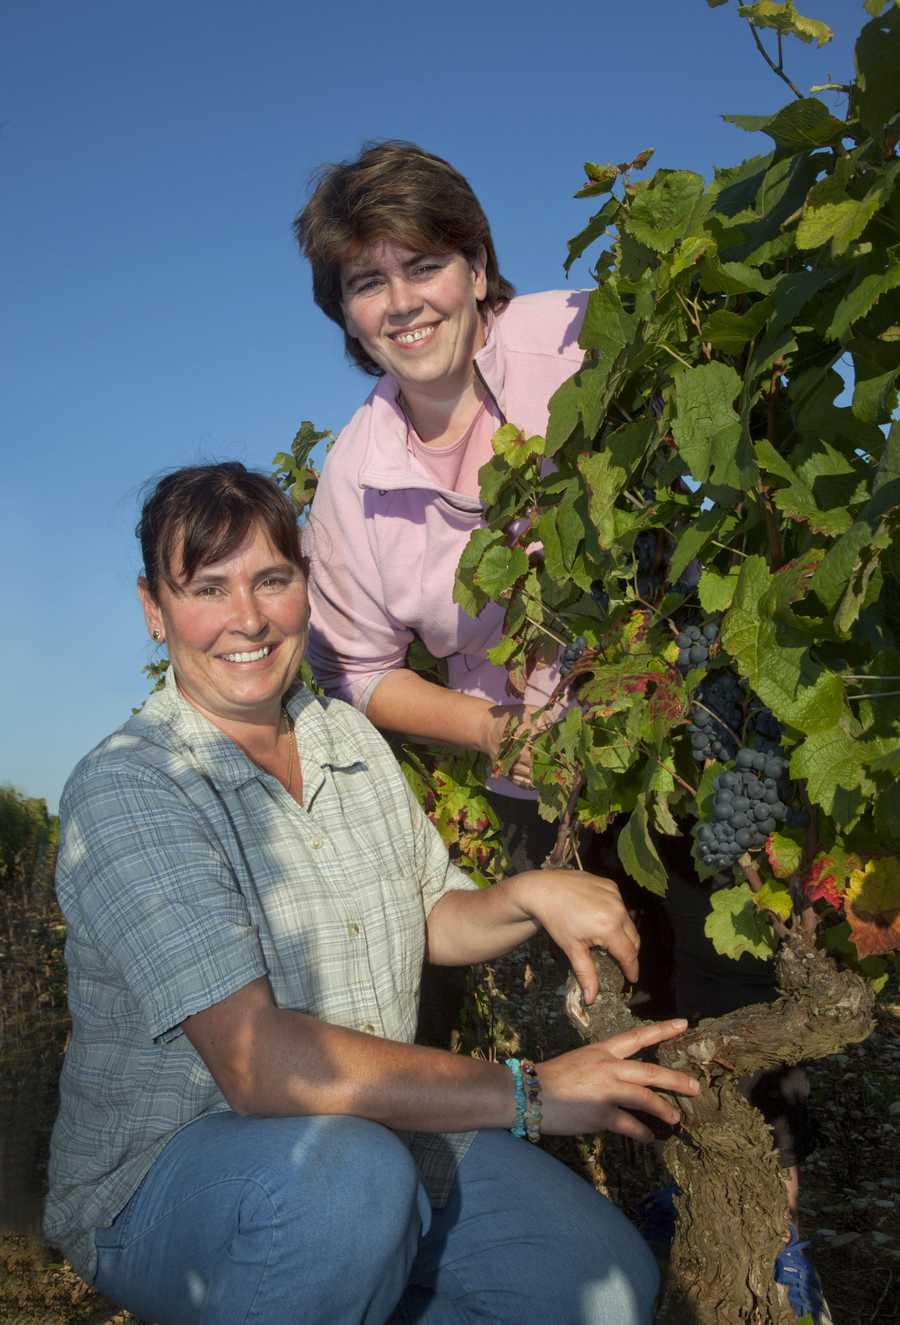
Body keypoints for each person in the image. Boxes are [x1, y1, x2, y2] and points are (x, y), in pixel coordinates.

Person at [44, 463, 701, 1325]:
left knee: (602, 1285)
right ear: (153, 609)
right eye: (208, 587)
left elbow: (428, 914)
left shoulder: (342, 733)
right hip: (170, 1175)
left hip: (371, 1130)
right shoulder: (132, 786)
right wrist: (530, 1092)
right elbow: (259, 1064)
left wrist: (528, 894)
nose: (247, 617)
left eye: (271, 579)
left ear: (305, 586)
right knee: (349, 1188)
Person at [295, 140, 589, 872]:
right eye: (367, 282)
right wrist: (495, 730)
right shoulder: (354, 480)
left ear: (477, 268)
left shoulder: (582, 342)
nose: (401, 303)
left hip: (682, 723)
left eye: (424, 266)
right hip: (534, 791)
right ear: (347, 315)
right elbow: (357, 672)